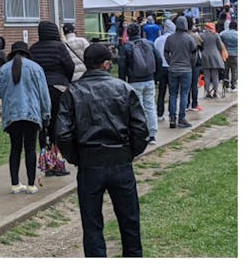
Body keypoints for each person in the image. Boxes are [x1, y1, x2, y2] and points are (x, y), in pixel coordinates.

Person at [55, 43, 148, 257]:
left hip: (90, 162)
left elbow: (63, 133)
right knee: (129, 221)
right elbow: (140, 129)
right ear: (106, 64)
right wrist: (129, 152)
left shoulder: (73, 92)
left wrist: (76, 157)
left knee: (92, 223)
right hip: (119, 160)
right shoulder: (123, 89)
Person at [0, 41, 51, 194]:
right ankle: (31, 184)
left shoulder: (3, 70)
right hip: (32, 114)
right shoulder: (36, 68)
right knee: (30, 148)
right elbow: (44, 94)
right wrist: (46, 114)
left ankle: (15, 183)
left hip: (12, 115)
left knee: (15, 148)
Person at [30, 21, 74, 176]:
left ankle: (47, 164)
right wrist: (65, 80)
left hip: (39, 91)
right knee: (58, 126)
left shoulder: (33, 49)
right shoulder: (60, 47)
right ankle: (58, 164)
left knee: (43, 127)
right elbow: (70, 66)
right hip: (58, 89)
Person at [118, 23, 161, 144]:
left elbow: (122, 66)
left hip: (134, 80)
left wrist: (122, 81)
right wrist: (156, 76)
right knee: (150, 106)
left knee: (138, 108)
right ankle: (152, 134)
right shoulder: (149, 44)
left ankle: (141, 133)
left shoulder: (126, 47)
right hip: (149, 79)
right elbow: (158, 59)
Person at [163, 16, 198, 129]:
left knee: (173, 94)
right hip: (186, 69)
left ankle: (172, 118)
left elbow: (166, 52)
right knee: (184, 94)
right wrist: (190, 65)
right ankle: (182, 118)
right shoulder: (190, 39)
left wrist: (170, 62)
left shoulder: (170, 38)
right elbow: (194, 55)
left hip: (173, 69)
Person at [153, 19, 176, 121]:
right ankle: (172, 113)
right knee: (173, 92)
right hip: (171, 67)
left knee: (161, 92)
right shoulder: (174, 39)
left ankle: (159, 113)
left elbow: (155, 55)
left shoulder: (158, 40)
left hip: (161, 67)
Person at [200, 22, 226, 98]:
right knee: (215, 75)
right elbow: (220, 46)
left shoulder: (201, 35)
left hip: (205, 56)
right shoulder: (215, 35)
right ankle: (215, 92)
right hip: (215, 56)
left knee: (207, 76)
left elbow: (200, 45)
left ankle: (207, 92)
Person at [219, 21, 238, 92]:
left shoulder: (223, 33)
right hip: (235, 54)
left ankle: (226, 85)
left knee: (226, 70)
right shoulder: (237, 34)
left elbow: (219, 41)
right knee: (234, 70)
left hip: (225, 54)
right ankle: (233, 85)